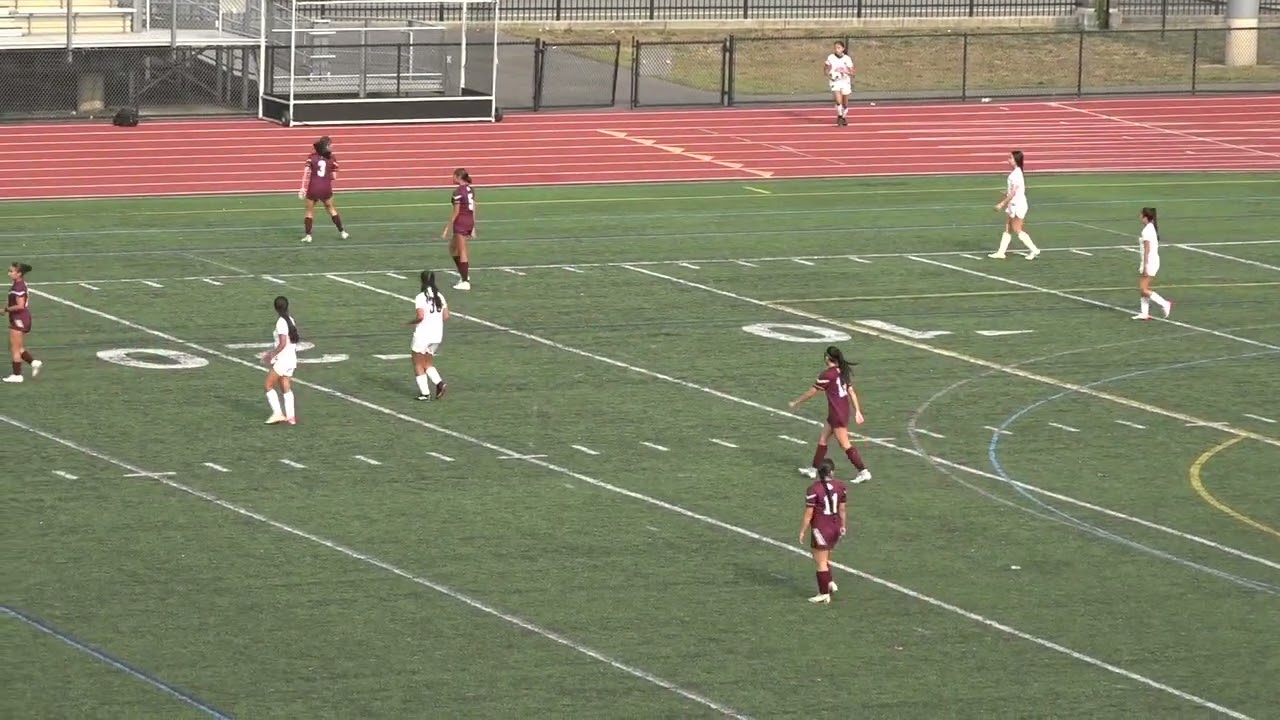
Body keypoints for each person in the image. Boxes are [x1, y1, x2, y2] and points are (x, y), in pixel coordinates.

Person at [789, 345, 871, 484]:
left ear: (827, 358)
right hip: (840, 411)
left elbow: (812, 391)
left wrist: (796, 402)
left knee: (845, 444)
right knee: (823, 440)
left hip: (837, 413)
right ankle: (813, 469)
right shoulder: (842, 372)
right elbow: (851, 392)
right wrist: (857, 410)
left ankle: (863, 471)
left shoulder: (827, 374)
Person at [798, 459, 847, 604]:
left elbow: (809, 513)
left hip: (822, 528)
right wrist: (843, 525)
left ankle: (824, 593)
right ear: (831, 472)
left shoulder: (813, 489)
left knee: (820, 561)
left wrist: (802, 530)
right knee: (823, 557)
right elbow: (842, 509)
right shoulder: (840, 486)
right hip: (835, 526)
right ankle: (829, 582)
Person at [989, 150, 1040, 260]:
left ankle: (1034, 249)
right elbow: (1013, 191)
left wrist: (1001, 204)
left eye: (1010, 158)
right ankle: (1001, 252)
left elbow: (1013, 193)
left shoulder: (1016, 174)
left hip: (1018, 205)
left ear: (1016, 160)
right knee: (1008, 228)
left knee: (1017, 229)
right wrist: (1006, 193)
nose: (1009, 160)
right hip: (1013, 204)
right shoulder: (1016, 173)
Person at [408, 270, 449, 400]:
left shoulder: (421, 297)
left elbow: (420, 316)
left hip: (423, 335)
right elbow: (446, 316)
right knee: (427, 363)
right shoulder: (440, 296)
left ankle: (425, 393)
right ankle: (439, 384)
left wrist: (410, 323)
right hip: (437, 335)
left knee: (418, 363)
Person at [299, 136, 348, 244]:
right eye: (330, 145)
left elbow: (306, 172)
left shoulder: (312, 156)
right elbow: (334, 177)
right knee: (331, 209)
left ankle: (308, 236)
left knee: (309, 211)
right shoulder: (332, 158)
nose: (332, 146)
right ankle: (342, 232)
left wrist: (302, 187)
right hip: (326, 187)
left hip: (313, 187)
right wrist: (326, 175)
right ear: (326, 146)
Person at [262, 296, 299, 424]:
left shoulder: (281, 322)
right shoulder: (290, 320)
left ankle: (278, 413)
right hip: (291, 358)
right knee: (285, 385)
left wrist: (271, 355)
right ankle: (291, 417)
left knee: (268, 385)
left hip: (283, 360)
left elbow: (282, 343)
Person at [3, 262, 40, 384]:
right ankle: (33, 362)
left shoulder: (18, 287)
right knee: (17, 346)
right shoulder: (18, 284)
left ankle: (17, 375)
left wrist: (5, 309)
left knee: (15, 348)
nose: (9, 273)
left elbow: (20, 305)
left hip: (19, 319)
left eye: (11, 271)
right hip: (21, 319)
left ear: (19, 273)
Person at [1134, 206, 1173, 320]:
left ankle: (1165, 303)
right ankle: (1144, 313)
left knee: (1143, 289)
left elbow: (1147, 248)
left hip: (1150, 261)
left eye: (1141, 214)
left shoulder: (1147, 230)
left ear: (1145, 216)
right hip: (1151, 260)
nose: (1140, 216)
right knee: (1143, 287)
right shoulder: (1150, 228)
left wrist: (1145, 265)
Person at [443, 168, 475, 290]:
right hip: (468, 220)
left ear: (458, 177)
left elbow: (456, 212)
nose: (452, 178)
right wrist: (473, 226)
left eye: (454, 176)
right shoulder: (470, 189)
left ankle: (465, 281)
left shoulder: (457, 192)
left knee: (462, 251)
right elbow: (474, 207)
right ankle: (463, 273)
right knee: (453, 248)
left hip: (461, 222)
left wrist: (447, 227)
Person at [823, 41, 854, 127]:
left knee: (845, 104)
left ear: (843, 49)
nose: (837, 50)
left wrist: (845, 71)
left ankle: (843, 117)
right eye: (835, 48)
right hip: (835, 82)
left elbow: (853, 73)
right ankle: (839, 116)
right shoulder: (831, 57)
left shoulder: (847, 59)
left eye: (839, 48)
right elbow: (825, 69)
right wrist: (829, 74)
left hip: (845, 82)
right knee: (838, 101)